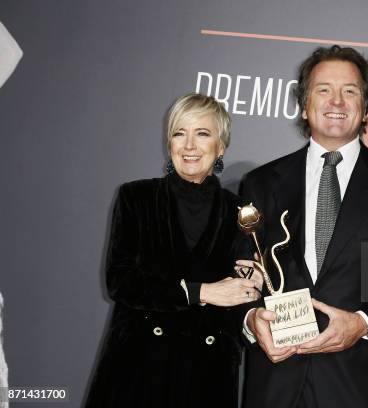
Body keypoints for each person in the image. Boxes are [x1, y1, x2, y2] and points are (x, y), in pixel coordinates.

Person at [238, 46, 368, 408]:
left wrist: (363, 323)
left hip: (358, 385)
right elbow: (240, 273)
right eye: (323, 90)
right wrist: (251, 318)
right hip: (274, 382)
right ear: (304, 104)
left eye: (349, 91)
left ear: (365, 107)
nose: (336, 101)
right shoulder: (260, 183)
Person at [85, 93, 262, 408]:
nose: (189, 145)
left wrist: (252, 289)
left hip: (206, 376)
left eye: (202, 134)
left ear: (221, 146)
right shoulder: (135, 197)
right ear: (169, 143)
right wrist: (200, 292)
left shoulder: (240, 213)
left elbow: (242, 291)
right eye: (180, 133)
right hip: (138, 370)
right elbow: (121, 282)